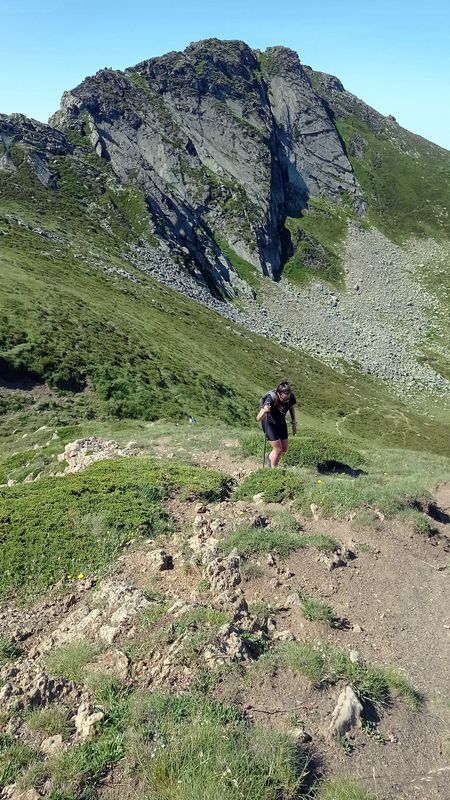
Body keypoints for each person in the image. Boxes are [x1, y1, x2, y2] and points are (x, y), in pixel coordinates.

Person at [256, 381, 297, 467]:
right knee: (278, 449)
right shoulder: (271, 398)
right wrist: (264, 410)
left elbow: (291, 407)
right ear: (278, 394)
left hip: (281, 421)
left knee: (284, 448)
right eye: (284, 399)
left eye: (288, 399)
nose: (286, 401)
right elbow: (258, 418)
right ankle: (273, 470)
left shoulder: (290, 396)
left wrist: (294, 423)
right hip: (269, 422)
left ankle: (269, 457)